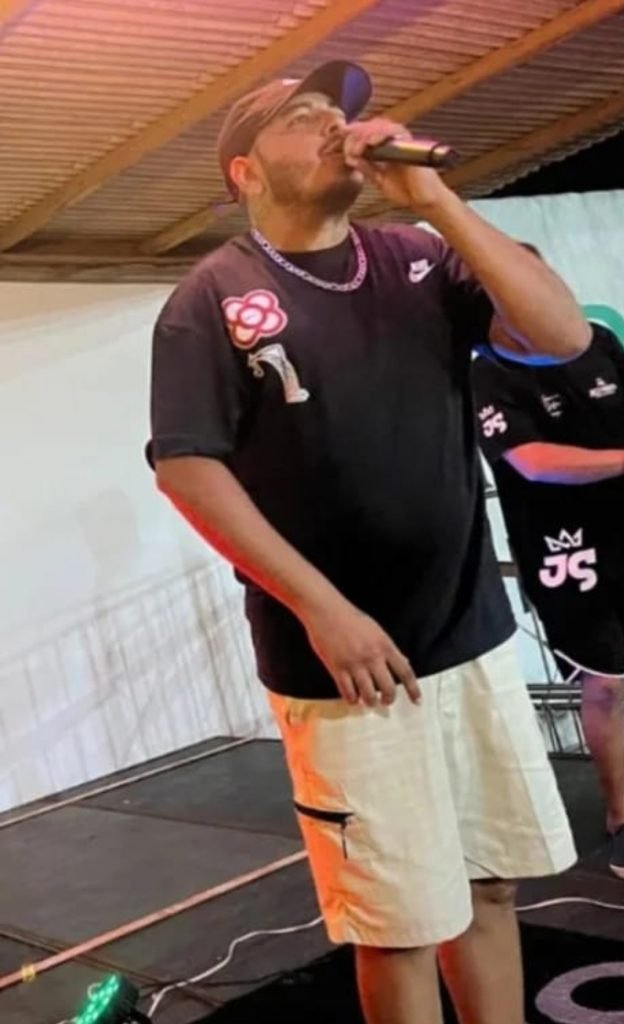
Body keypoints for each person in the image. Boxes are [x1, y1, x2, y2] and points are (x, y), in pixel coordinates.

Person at [147, 60, 585, 1024]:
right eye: (300, 118)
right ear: (245, 173)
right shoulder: (212, 298)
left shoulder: (418, 256)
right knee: (397, 925)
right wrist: (323, 608)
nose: (333, 127)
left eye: (335, 113)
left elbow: (560, 336)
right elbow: (187, 467)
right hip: (343, 670)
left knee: (490, 886)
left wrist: (437, 200)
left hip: (468, 634)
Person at [473, 272, 624, 877]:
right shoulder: (486, 372)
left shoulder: (597, 342)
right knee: (608, 684)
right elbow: (532, 462)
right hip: (569, 551)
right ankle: (621, 817)